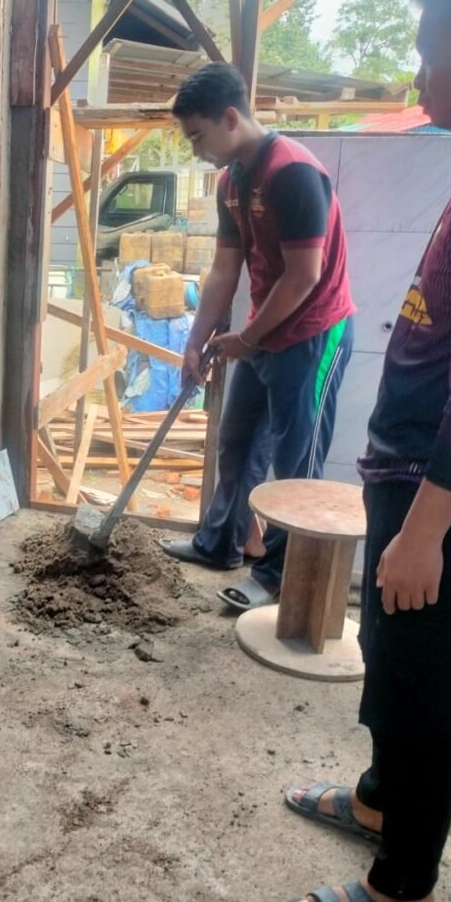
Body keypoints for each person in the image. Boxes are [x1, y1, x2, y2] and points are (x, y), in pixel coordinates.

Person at [284, 0, 451, 902]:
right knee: (392, 663)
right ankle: (376, 799)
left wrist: (423, 532)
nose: (417, 71)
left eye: (431, 49)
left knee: (425, 686)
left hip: (444, 502)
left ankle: (403, 890)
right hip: (414, 485)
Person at [159, 62, 355, 612]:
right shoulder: (231, 181)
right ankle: (219, 543)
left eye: (197, 136)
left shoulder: (292, 172)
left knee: (297, 464)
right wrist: (195, 343)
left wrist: (246, 338)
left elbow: (304, 276)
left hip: (313, 334)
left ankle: (274, 576)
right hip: (264, 333)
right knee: (238, 441)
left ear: (229, 117)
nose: (196, 149)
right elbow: (225, 268)